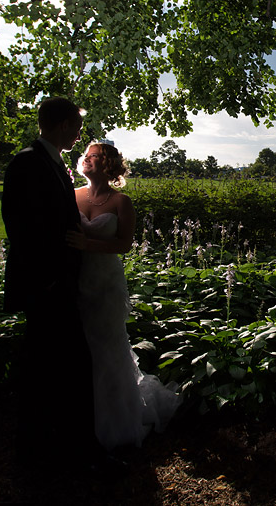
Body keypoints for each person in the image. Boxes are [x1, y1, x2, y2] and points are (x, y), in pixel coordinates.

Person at [0, 96, 98, 466]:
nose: (78, 133)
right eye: (75, 126)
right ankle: (55, 448)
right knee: (59, 364)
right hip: (47, 287)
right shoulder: (27, 163)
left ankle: (47, 445)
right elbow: (21, 227)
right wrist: (50, 281)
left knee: (53, 364)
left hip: (60, 284)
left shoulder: (52, 162)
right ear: (60, 125)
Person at [66, 141, 181, 451]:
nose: (88, 160)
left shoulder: (121, 202)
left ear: (110, 165)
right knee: (79, 348)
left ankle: (115, 418)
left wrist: (86, 245)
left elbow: (124, 245)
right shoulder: (71, 195)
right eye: (86, 156)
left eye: (96, 157)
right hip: (73, 281)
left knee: (107, 346)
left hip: (105, 282)